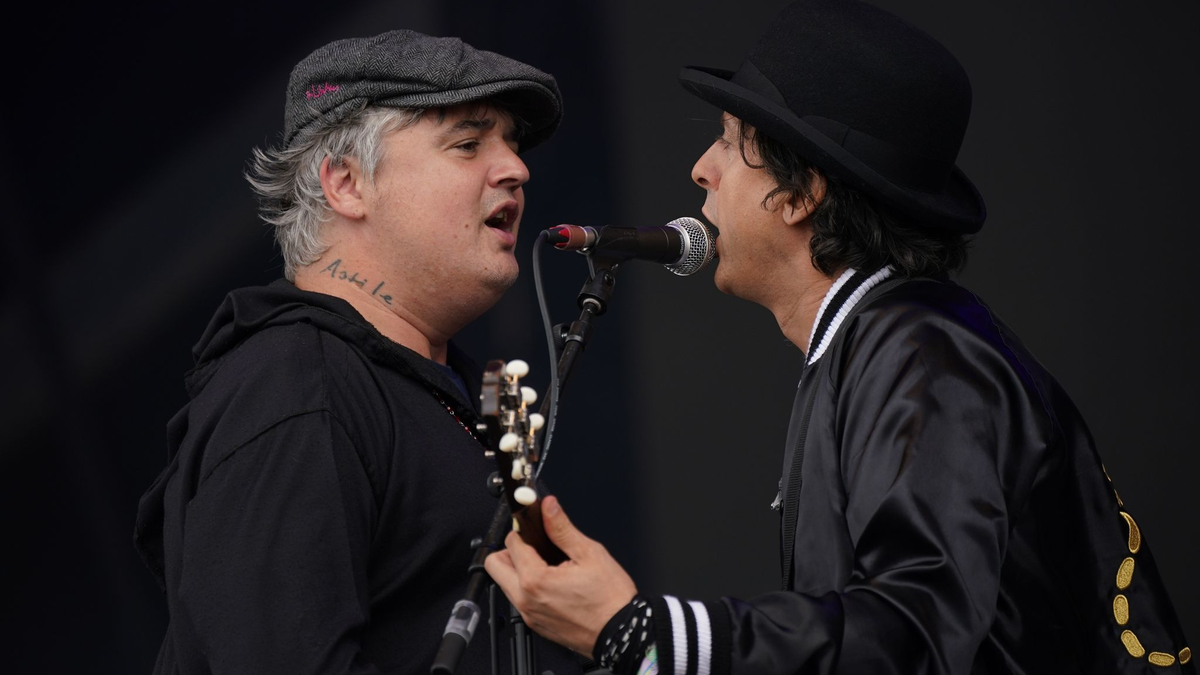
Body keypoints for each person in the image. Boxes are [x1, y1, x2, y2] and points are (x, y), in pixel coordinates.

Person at [484, 1, 1194, 674]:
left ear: (800, 194)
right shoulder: (881, 347)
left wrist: (650, 633)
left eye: (729, 141)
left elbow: (915, 637)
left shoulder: (925, 357)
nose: (702, 167)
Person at [133, 30, 582, 675]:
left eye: (511, 142)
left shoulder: (432, 386)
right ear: (346, 183)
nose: (516, 167)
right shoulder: (295, 384)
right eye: (468, 143)